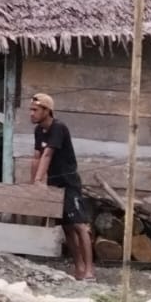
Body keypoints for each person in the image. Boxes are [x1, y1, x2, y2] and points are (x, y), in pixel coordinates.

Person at [29, 92, 95, 281]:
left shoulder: (58, 127)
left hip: (69, 183)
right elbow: (36, 157)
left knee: (79, 226)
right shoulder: (39, 131)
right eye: (30, 110)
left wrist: (39, 179)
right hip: (55, 184)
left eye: (35, 110)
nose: (31, 113)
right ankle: (79, 267)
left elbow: (47, 155)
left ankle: (90, 270)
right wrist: (32, 184)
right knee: (66, 227)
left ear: (47, 111)